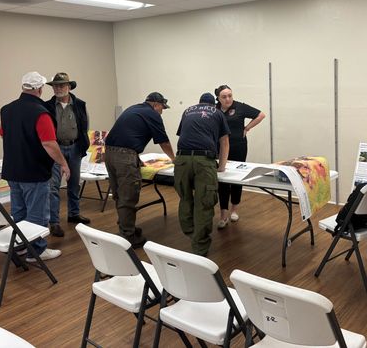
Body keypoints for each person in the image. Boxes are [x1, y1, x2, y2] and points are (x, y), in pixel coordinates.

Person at [0, 72, 70, 262]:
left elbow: (3, 134)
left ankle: (22, 246)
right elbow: (49, 144)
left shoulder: (6, 109)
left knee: (19, 211)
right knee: (37, 214)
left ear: (23, 87)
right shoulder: (40, 112)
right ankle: (37, 250)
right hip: (34, 172)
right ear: (39, 89)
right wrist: (63, 163)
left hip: (12, 170)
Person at [104, 92, 175, 248]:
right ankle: (128, 236)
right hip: (125, 156)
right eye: (162, 108)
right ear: (156, 104)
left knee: (119, 194)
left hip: (108, 153)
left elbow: (127, 135)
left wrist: (135, 159)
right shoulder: (153, 114)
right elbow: (164, 142)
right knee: (128, 195)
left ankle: (126, 227)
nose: (162, 112)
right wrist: (174, 160)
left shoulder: (133, 109)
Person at [174, 92, 230, 256]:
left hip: (182, 159)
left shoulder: (187, 111)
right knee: (204, 202)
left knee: (185, 198)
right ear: (214, 103)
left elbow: (183, 134)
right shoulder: (217, 113)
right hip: (204, 160)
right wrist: (221, 167)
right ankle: (200, 247)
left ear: (198, 103)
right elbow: (225, 142)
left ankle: (191, 233)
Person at [45, 72, 91, 238]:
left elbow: (85, 125)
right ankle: (54, 222)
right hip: (55, 149)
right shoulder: (47, 106)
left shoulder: (80, 105)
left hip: (74, 148)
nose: (58, 88)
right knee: (53, 187)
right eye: (55, 86)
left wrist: (82, 144)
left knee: (74, 184)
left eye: (61, 85)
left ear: (69, 87)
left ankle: (74, 214)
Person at [214, 85, 265, 228]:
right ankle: (223, 214)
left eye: (230, 95)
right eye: (224, 97)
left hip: (238, 147)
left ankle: (234, 209)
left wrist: (247, 128)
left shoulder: (240, 107)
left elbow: (261, 115)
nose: (228, 99)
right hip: (220, 148)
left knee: (236, 178)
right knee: (222, 180)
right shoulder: (215, 109)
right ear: (218, 98)